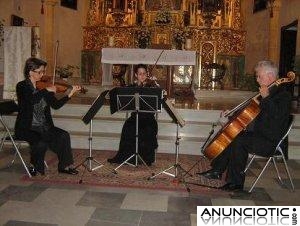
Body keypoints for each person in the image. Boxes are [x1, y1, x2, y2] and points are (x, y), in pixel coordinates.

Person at [198, 60, 292, 191]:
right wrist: (230, 118)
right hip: (259, 134)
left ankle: (235, 183)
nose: (257, 80)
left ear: (270, 76)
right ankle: (217, 170)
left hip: (271, 141)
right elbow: (251, 115)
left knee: (239, 140)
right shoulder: (266, 92)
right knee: (234, 134)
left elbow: (275, 116)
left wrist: (266, 98)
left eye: (259, 76)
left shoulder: (284, 96)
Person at [14, 57, 81, 176]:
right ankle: (34, 165)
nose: (42, 74)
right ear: (30, 72)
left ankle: (64, 166)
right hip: (27, 127)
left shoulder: (43, 87)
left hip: (44, 126)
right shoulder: (22, 86)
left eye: (43, 71)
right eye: (40, 72)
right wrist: (46, 90)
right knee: (40, 142)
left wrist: (69, 95)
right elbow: (31, 100)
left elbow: (55, 105)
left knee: (63, 135)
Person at [107, 64, 159, 166]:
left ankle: (145, 158)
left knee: (147, 129)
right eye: (140, 74)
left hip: (148, 119)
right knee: (128, 126)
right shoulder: (132, 87)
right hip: (135, 117)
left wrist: (155, 86)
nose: (142, 76)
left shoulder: (152, 86)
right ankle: (127, 157)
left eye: (144, 74)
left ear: (147, 74)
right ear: (136, 75)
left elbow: (158, 100)